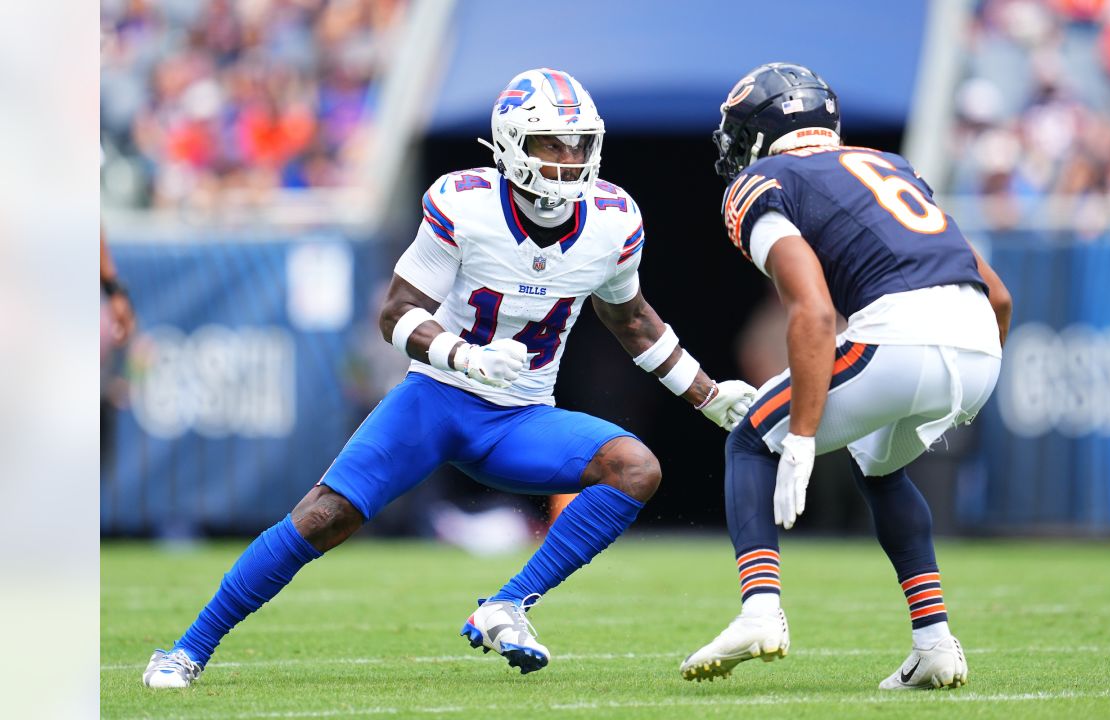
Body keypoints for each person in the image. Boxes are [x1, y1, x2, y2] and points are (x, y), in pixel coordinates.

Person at [142, 68, 758, 688]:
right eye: (551, 142)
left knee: (635, 469)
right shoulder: (464, 203)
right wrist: (464, 355)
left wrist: (708, 395)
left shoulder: (614, 219)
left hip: (521, 418)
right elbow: (395, 313)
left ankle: (507, 604)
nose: (570, 159)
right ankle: (187, 648)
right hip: (437, 401)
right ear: (513, 143)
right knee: (324, 516)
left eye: (579, 143)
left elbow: (634, 322)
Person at [679, 63, 1012, 690]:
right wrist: (968, 378)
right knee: (879, 466)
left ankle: (759, 611)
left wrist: (800, 435)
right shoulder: (890, 165)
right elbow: (997, 295)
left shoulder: (763, 179)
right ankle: (935, 643)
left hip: (899, 336)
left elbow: (813, 308)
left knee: (752, 438)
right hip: (979, 345)